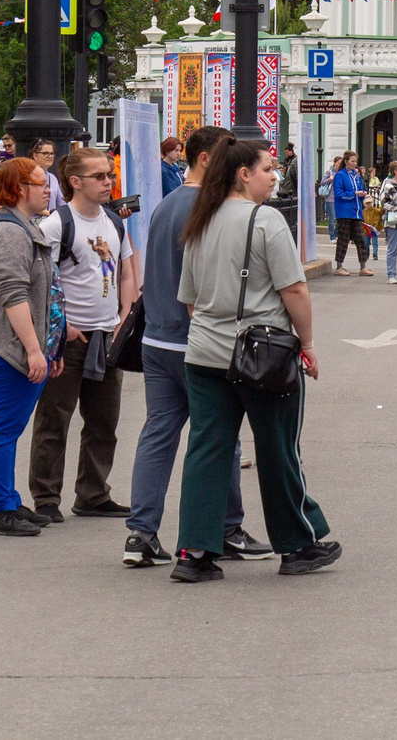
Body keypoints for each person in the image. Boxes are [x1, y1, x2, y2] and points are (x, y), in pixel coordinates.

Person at [172, 138, 338, 582]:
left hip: (205, 353)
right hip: (264, 355)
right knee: (278, 449)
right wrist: (307, 344)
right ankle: (297, 544)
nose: (274, 176)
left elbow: (189, 300)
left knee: (206, 450)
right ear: (243, 174)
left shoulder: (200, 221)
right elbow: (295, 289)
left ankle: (194, 552)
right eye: (267, 169)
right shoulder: (266, 220)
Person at [123, 126, 265, 569]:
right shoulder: (211, 208)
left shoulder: (165, 205)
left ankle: (140, 533)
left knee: (158, 435)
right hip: (196, 343)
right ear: (206, 160)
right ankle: (228, 528)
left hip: (154, 339)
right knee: (219, 438)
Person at [28, 145, 136, 524]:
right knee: (54, 419)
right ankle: (45, 497)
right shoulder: (57, 223)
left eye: (109, 175)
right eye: (100, 176)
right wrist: (63, 326)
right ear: (75, 182)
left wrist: (125, 313)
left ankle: (93, 493)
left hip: (108, 335)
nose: (108, 182)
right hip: (70, 338)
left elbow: (125, 269)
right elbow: (41, 279)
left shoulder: (113, 221)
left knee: (104, 421)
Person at [0, 157, 60, 537]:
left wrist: (46, 348)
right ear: (19, 189)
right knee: (2, 429)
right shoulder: (9, 232)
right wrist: (35, 350)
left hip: (20, 344)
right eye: (39, 183)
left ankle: (7, 500)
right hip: (10, 346)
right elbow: (12, 293)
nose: (47, 189)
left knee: (8, 428)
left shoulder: (23, 226)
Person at [330, 153, 369, 276]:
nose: (355, 164)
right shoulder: (340, 175)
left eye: (356, 161)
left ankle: (363, 266)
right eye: (352, 161)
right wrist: (354, 193)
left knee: (360, 239)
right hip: (344, 212)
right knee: (343, 239)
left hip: (356, 212)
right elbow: (339, 193)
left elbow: (359, 189)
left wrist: (363, 196)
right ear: (346, 161)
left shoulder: (356, 175)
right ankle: (339, 266)